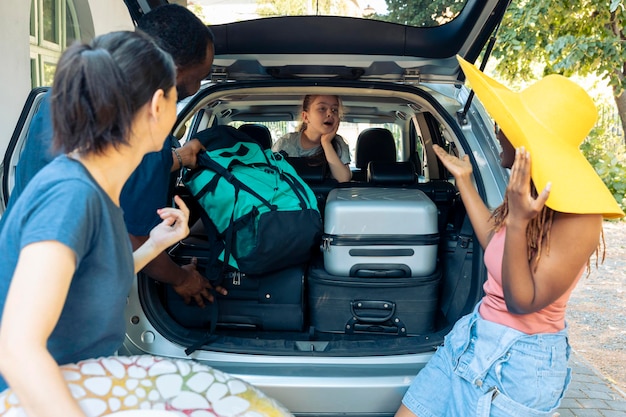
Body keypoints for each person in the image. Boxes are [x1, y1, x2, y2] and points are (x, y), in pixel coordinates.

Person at [395, 56, 625, 417]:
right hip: (472, 336)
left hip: (520, 365)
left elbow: (523, 302)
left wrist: (518, 222)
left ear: (526, 139)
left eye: (507, 123)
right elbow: (496, 246)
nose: (498, 128)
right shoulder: (523, 192)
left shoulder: (581, 219)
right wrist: (465, 181)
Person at [0, 30, 188, 417]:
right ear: (157, 105)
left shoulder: (96, 190)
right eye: (176, 96)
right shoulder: (71, 196)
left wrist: (153, 245)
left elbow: (86, 285)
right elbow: (17, 349)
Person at [4, 4, 224, 308]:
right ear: (173, 72)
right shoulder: (142, 135)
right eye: (202, 74)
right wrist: (183, 279)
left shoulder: (62, 94)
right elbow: (135, 241)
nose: (200, 85)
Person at [272, 94, 352, 182]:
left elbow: (343, 180)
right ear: (306, 117)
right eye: (322, 108)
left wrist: (326, 143)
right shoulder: (286, 143)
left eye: (334, 110)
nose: (330, 113)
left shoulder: (338, 143)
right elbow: (269, 177)